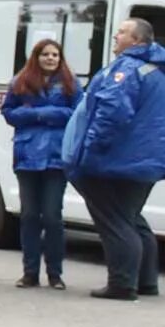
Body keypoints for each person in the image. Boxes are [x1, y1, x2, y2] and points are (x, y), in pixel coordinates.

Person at [63, 17, 165, 301]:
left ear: (138, 40)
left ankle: (122, 284)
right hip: (147, 162)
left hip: (116, 162)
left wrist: (89, 151)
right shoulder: (156, 70)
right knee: (132, 219)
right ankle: (146, 282)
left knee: (116, 222)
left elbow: (112, 113)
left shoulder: (126, 69)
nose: (115, 36)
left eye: (122, 32)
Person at [1, 39, 79, 290]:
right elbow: (9, 113)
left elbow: (77, 113)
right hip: (27, 157)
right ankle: (30, 272)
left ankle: (55, 274)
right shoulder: (20, 81)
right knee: (30, 216)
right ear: (36, 56)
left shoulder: (70, 82)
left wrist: (40, 113)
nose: (51, 58)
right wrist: (41, 114)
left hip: (56, 159)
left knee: (53, 217)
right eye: (46, 54)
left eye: (55, 54)